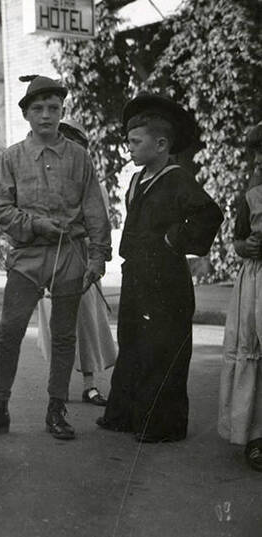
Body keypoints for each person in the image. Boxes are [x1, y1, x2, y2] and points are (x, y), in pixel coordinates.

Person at [0, 76, 111, 441]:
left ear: (62, 112)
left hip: (70, 258)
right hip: (27, 258)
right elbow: (2, 210)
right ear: (27, 114)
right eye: (38, 109)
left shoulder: (79, 158)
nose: (46, 115)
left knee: (64, 336)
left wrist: (97, 258)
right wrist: (37, 225)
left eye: (54, 109)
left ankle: (56, 408)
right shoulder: (12, 157)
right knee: (9, 333)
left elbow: (94, 211)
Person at [97, 93, 223, 443]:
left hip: (166, 281)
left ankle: (160, 424)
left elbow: (209, 214)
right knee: (133, 343)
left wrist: (174, 240)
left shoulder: (177, 178)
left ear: (161, 144)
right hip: (137, 275)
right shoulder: (138, 179)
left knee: (162, 349)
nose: (131, 150)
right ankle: (124, 416)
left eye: (136, 143)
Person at [34, 119, 116, 406]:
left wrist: (96, 259)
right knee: (57, 324)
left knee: (86, 322)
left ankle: (90, 384)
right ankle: (58, 385)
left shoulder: (94, 187)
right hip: (49, 259)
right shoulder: (40, 185)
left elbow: (100, 227)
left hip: (79, 257)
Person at [220, 122, 262, 471]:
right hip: (257, 282)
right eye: (258, 153)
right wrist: (244, 246)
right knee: (254, 352)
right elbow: (237, 239)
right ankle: (256, 436)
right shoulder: (250, 195)